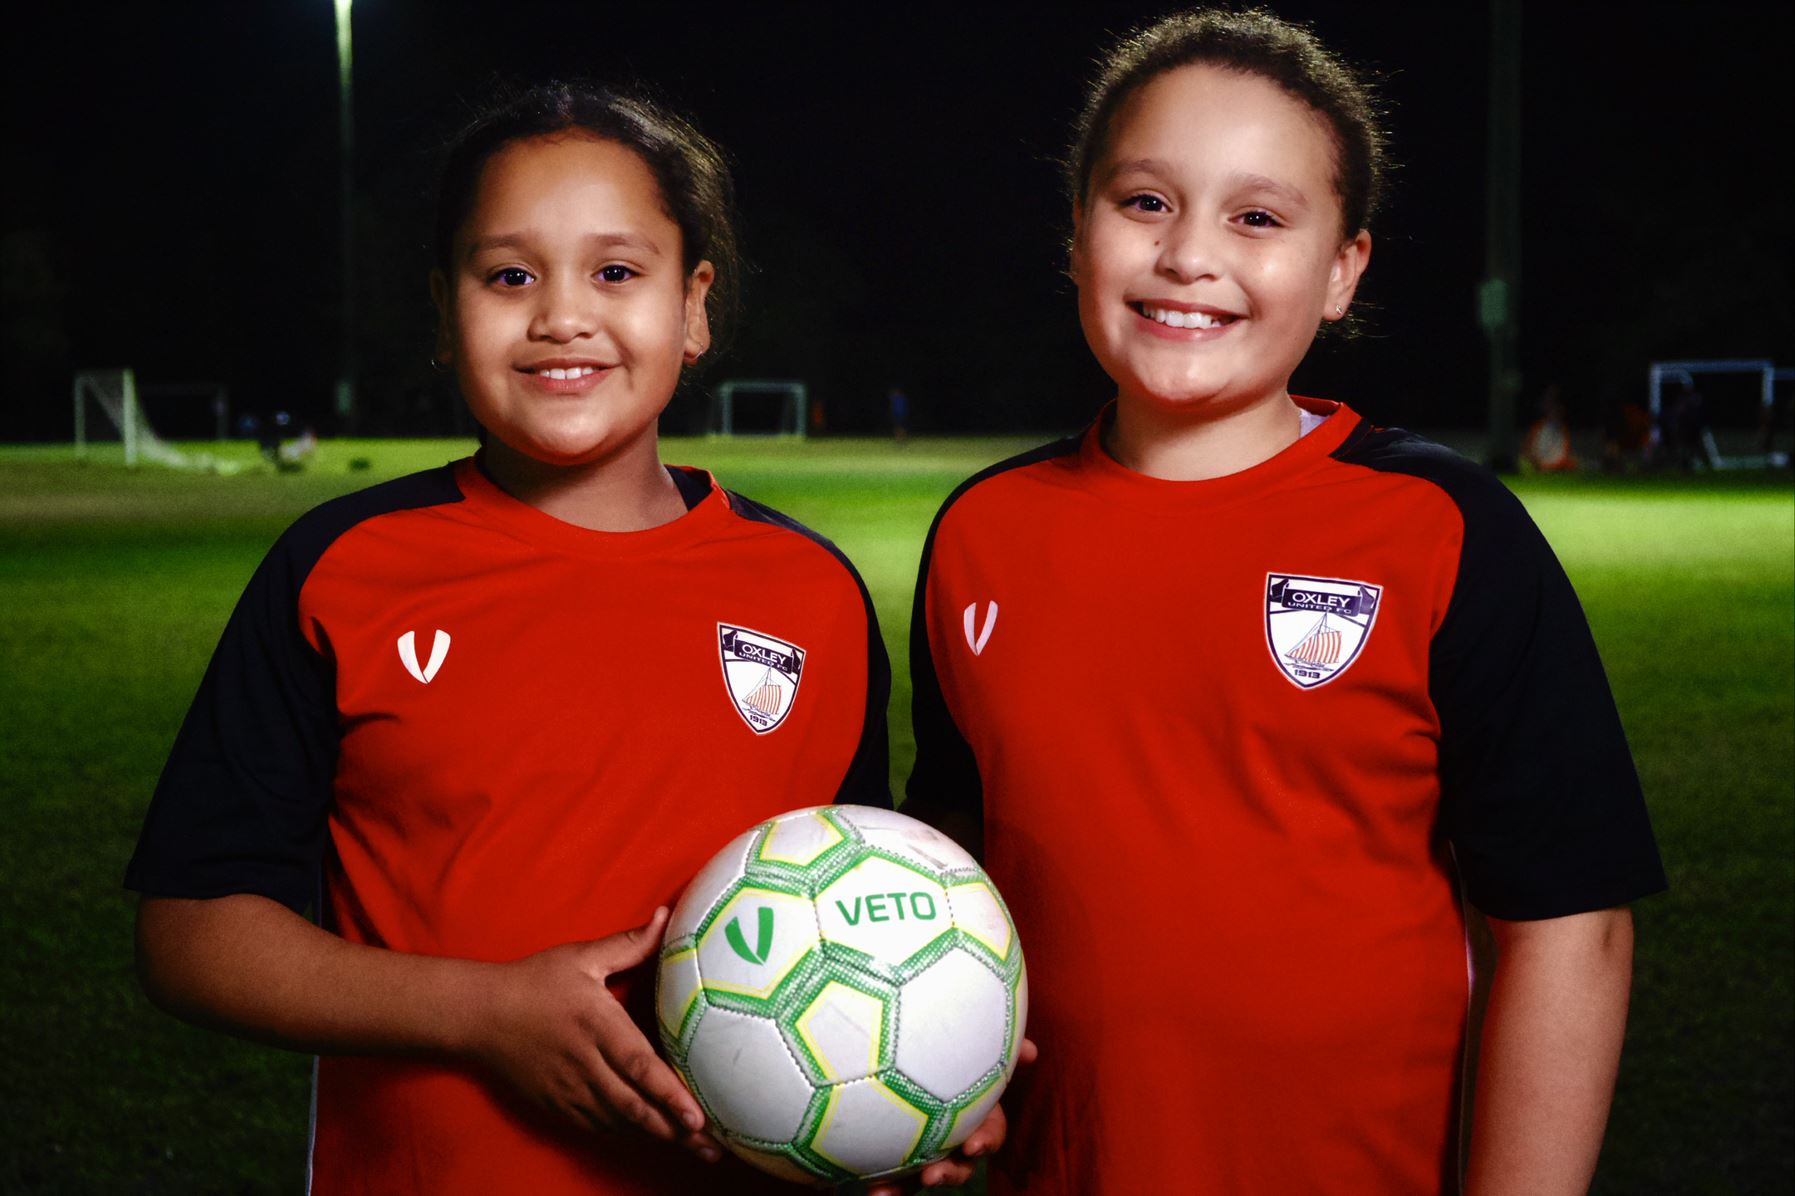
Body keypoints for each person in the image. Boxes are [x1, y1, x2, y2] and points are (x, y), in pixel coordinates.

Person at [124, 82, 1002, 1194]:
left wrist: (909, 1094)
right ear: (445, 307)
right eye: (509, 275)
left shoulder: (810, 592)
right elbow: (189, 930)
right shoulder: (342, 568)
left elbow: (857, 914)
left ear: (694, 307)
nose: (561, 315)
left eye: (616, 272)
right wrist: (481, 1010)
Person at [903, 10, 1665, 1195]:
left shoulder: (1439, 530)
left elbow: (1570, 922)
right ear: (1077, 234)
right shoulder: (980, 535)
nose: (1189, 254)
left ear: (1342, 270)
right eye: (1145, 201)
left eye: (1256, 217)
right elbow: (951, 883)